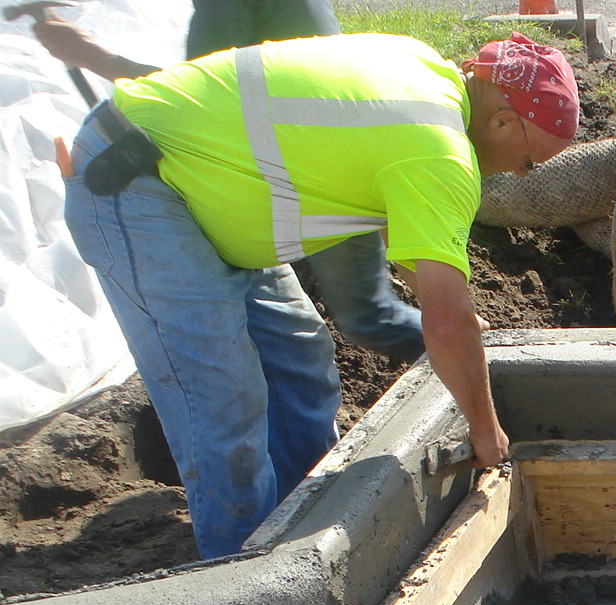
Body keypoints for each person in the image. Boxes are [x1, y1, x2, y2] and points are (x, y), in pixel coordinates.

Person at [61, 32, 578, 559]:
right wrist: (486, 430)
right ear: (502, 121)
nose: (519, 173)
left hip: (209, 185)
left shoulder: (424, 71)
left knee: (301, 353)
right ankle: (241, 582)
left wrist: (451, 310)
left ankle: (302, 529)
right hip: (141, 183)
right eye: (530, 161)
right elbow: (445, 324)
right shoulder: (441, 152)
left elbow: (402, 222)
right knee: (224, 395)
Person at [32, 1, 425, 365]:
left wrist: (91, 56)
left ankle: (472, 356)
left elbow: (193, 97)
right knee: (364, 311)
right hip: (334, 154)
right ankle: (459, 334)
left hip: (318, 171)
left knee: (369, 318)